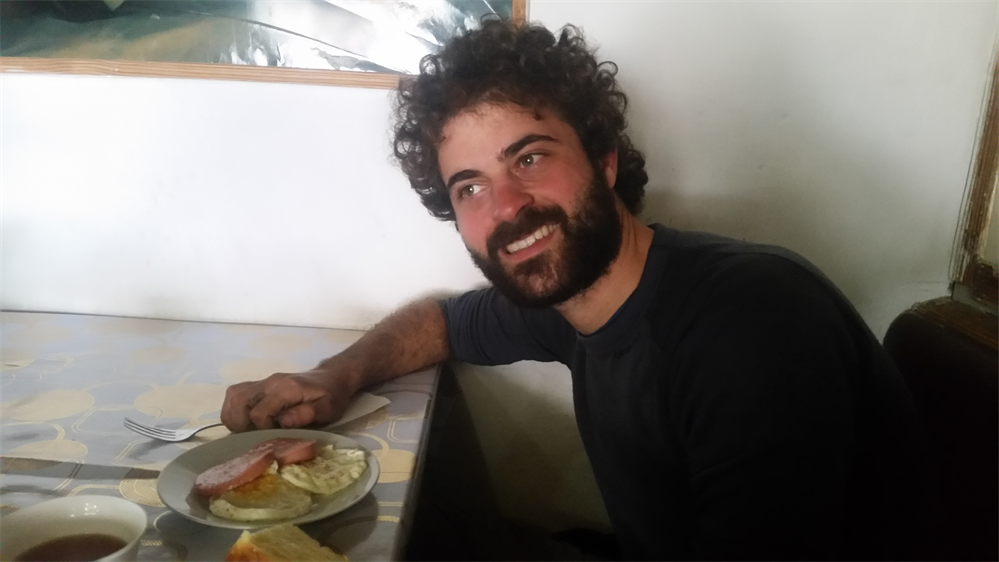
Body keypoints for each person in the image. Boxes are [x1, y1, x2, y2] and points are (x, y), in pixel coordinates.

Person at [221, 19, 931, 561]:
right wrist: (335, 376)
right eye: (470, 187)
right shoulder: (568, 296)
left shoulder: (752, 326)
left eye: (528, 158)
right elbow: (442, 322)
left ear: (604, 159)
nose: (506, 206)